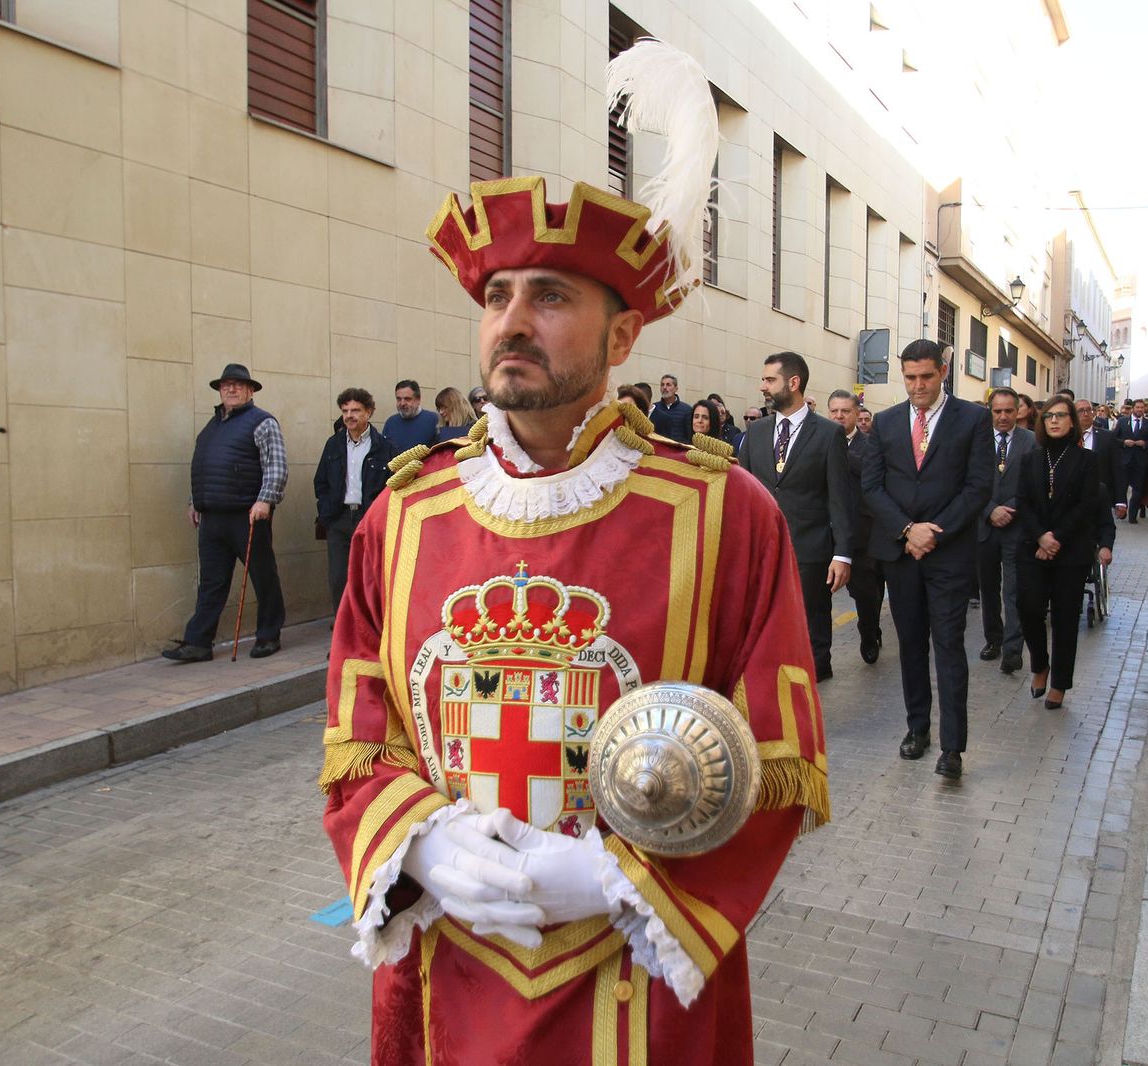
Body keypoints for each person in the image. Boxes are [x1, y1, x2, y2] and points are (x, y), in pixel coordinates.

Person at [320, 41, 827, 1065]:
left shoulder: (726, 514)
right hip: (450, 958)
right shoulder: (401, 517)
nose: (512, 321)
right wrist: (422, 843)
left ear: (623, 335)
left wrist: (611, 876)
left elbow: (781, 758)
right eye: (496, 296)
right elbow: (357, 731)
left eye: (549, 295)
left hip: (638, 978)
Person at [862, 339, 994, 778]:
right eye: (910, 378)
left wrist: (933, 532)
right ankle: (917, 728)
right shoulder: (884, 423)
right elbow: (872, 487)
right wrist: (906, 530)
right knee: (911, 645)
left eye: (926, 377)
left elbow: (977, 487)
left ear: (942, 372)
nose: (918, 386)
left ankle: (952, 747)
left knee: (949, 646)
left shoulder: (973, 419)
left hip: (949, 555)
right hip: (901, 555)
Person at [738, 352, 854, 682]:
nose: (762, 386)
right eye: (763, 379)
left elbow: (839, 498)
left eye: (769, 380)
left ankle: (813, 691)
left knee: (812, 623)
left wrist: (842, 554)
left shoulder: (828, 433)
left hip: (811, 550)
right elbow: (744, 492)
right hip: (762, 550)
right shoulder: (757, 431)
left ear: (793, 383)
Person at [163, 363, 288, 662]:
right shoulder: (212, 426)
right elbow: (203, 466)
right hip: (212, 517)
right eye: (225, 385)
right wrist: (195, 501)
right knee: (211, 582)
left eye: (237, 385)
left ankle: (269, 635)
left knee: (263, 575)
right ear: (220, 390)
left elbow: (277, 466)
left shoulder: (263, 422)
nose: (230, 389)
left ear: (250, 390)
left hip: (247, 514)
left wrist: (266, 500)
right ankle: (198, 642)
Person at [1015, 397, 1098, 711]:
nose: (1054, 421)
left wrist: (1056, 538)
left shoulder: (1086, 460)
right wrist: (1040, 536)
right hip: (1033, 548)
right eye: (1049, 416)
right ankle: (1040, 663)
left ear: (1072, 421)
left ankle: (1060, 683)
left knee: (1065, 619)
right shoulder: (1031, 458)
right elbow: (1022, 501)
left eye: (1061, 416)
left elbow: (1086, 506)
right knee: (1028, 606)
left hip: (1070, 550)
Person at [314, 388, 395, 613]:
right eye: (345, 410)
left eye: (356, 410)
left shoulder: (385, 447)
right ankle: (342, 639)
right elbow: (320, 482)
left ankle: (369, 635)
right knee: (339, 580)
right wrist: (326, 512)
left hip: (369, 520)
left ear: (368, 412)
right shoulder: (333, 444)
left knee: (370, 579)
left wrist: (378, 517)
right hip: (338, 520)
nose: (349, 415)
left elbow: (393, 486)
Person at [977, 388, 1035, 676]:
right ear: (991, 411)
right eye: (997, 411)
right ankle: (993, 640)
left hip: (1017, 527)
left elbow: (1033, 485)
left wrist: (1008, 509)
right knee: (988, 589)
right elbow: (969, 482)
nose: (1002, 416)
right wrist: (990, 510)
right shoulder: (977, 440)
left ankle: (1013, 651)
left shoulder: (1031, 442)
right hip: (984, 527)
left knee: (1013, 591)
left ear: (1018, 411)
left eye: (1008, 411)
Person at [828, 389, 885, 665]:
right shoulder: (819, 440)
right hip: (828, 532)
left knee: (865, 591)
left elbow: (870, 475)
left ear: (856, 413)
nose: (839, 416)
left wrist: (839, 451)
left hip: (862, 531)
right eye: (834, 411)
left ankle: (869, 633)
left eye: (845, 411)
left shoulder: (870, 443)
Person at [1076, 399, 1128, 521]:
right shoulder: (1066, 437)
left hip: (1099, 497)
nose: (1086, 414)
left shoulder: (1107, 437)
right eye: (1081, 411)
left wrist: (1120, 500)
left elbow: (1117, 469)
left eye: (1089, 410)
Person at [1119, 399, 1148, 523]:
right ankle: (1122, 510)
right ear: (1133, 408)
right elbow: (1114, 438)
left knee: (1137, 489)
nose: (1139, 409)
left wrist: (1145, 443)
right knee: (1122, 487)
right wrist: (1124, 442)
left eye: (1141, 407)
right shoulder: (1123, 422)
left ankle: (1132, 516)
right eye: (1137, 407)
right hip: (1125, 460)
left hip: (1140, 461)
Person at [383, 380, 440, 454]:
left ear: (418, 400)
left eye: (407, 399)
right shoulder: (390, 423)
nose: (402, 403)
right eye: (399, 399)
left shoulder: (434, 420)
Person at [648, 373, 691, 439]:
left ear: (676, 389)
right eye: (662, 385)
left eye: (668, 385)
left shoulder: (687, 410)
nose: (664, 387)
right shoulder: (654, 408)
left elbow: (689, 435)